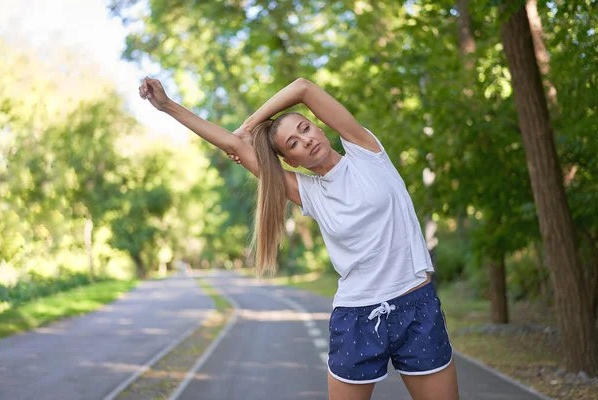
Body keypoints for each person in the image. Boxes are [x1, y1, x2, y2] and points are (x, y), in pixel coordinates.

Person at [138, 76, 459, 400]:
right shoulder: (308, 193)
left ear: (319, 127)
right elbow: (232, 146)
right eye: (292, 144)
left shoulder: (366, 152)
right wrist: (166, 106)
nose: (304, 140)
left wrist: (249, 125)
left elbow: (303, 88)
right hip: (357, 317)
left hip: (416, 305)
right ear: (291, 161)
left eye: (305, 128)